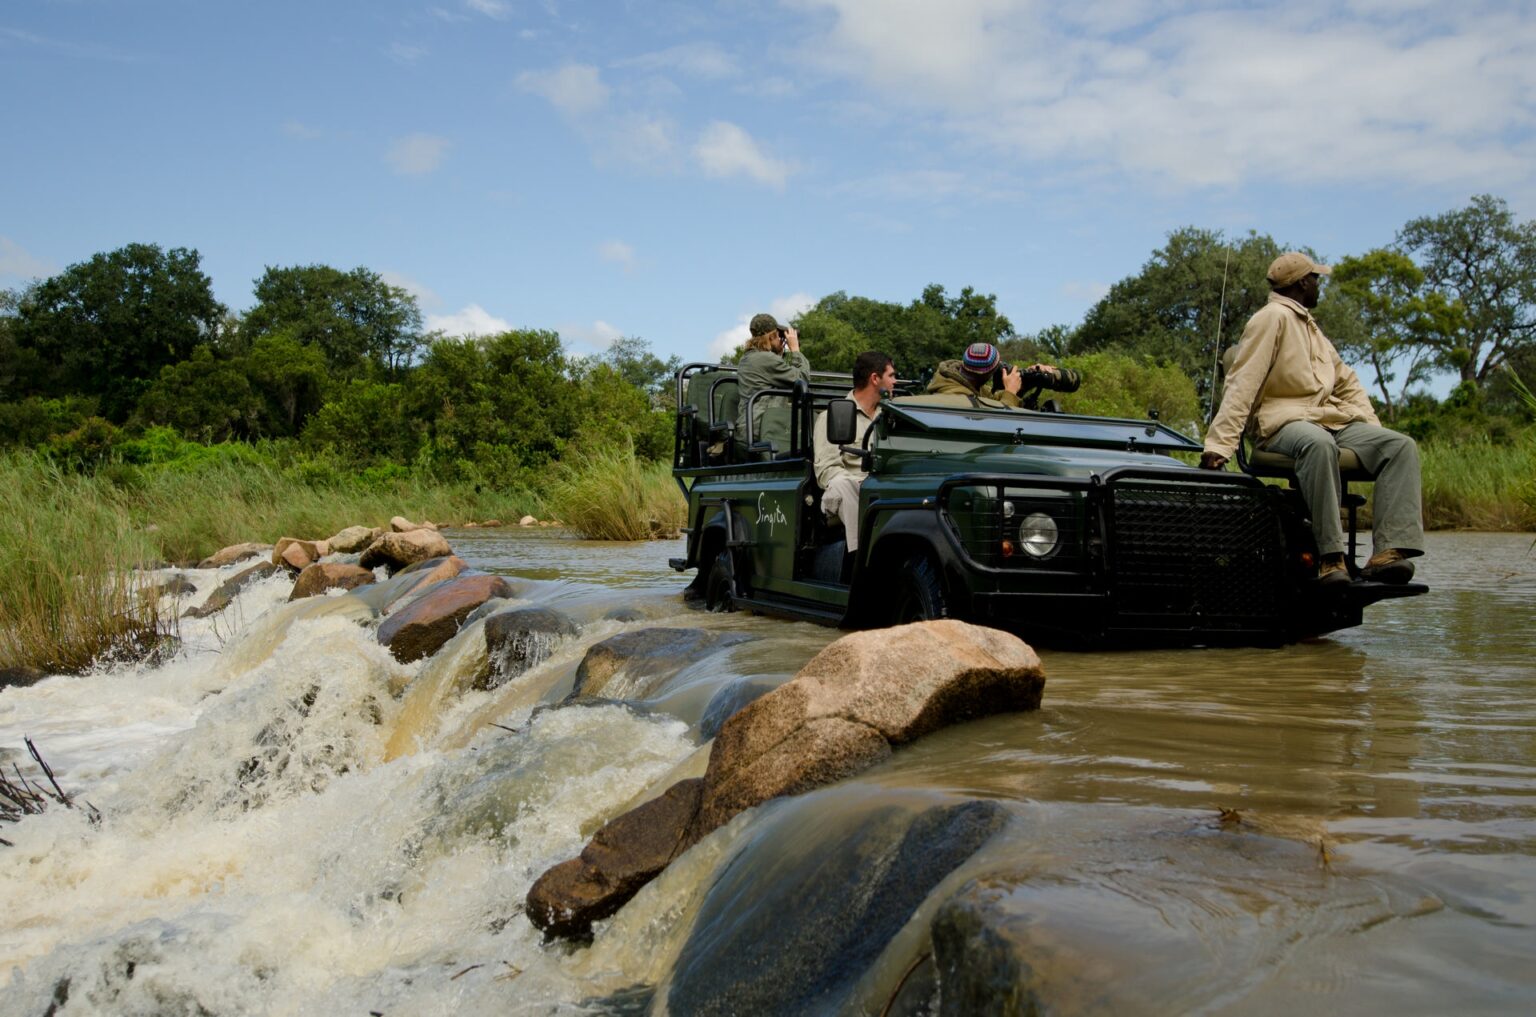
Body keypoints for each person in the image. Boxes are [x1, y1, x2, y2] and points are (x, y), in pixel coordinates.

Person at [1202, 252, 1424, 585]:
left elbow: (1347, 382)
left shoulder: (1311, 328)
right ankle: (1330, 559)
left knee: (1399, 446)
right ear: (1303, 282)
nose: (1320, 285)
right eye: (1316, 278)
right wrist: (1220, 445)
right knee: (1318, 445)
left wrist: (1371, 433)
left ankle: (1387, 554)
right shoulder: (1271, 318)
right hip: (1282, 424)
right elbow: (1242, 381)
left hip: (1327, 420)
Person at [813, 350, 897, 552]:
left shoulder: (892, 416)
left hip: (887, 487)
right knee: (843, 484)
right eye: (892, 375)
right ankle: (863, 556)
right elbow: (826, 469)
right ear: (875, 378)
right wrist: (864, 483)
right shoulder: (833, 416)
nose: (896, 382)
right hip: (853, 488)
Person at [735, 312, 810, 452]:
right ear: (771, 336)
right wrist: (795, 350)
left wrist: (778, 353)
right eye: (778, 335)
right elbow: (802, 379)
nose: (781, 339)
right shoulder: (766, 359)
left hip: (751, 426)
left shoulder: (749, 358)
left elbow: (772, 374)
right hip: (763, 428)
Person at [926, 342, 1079, 408]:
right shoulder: (956, 396)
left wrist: (1028, 380)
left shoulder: (967, 384)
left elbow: (992, 401)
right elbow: (999, 422)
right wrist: (1010, 393)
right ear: (987, 374)